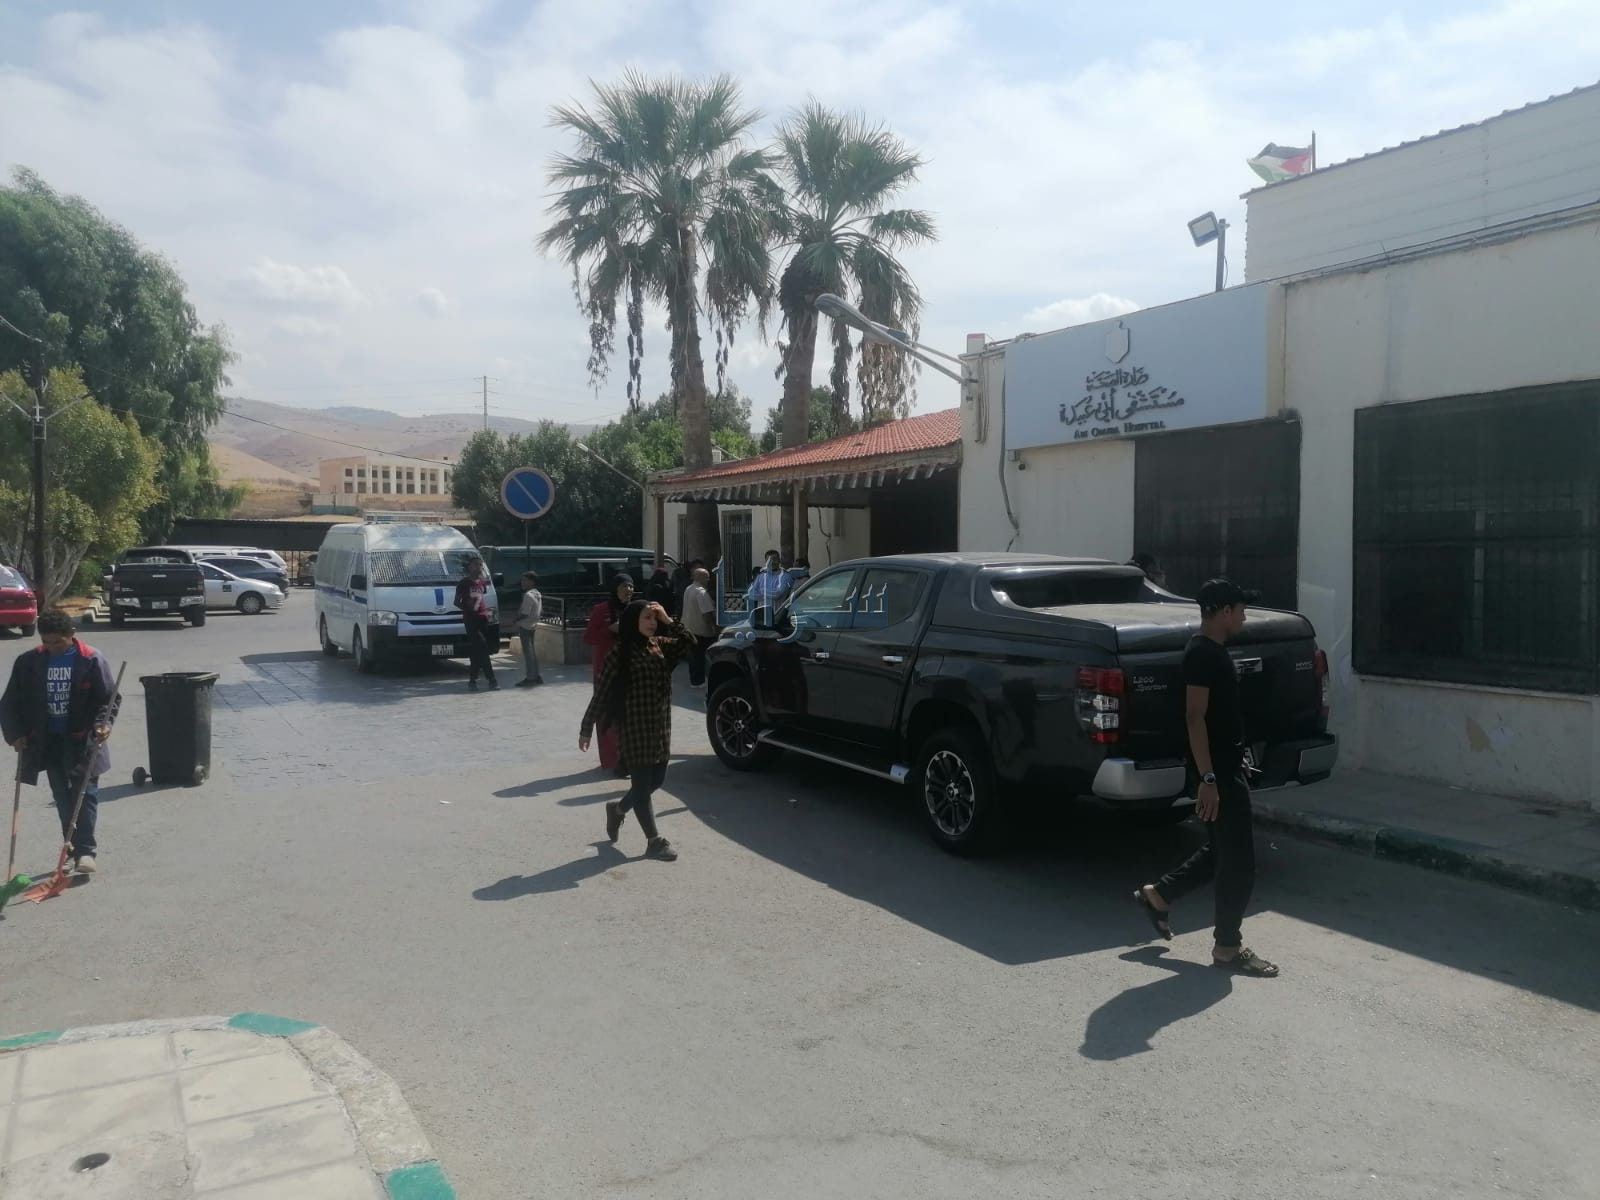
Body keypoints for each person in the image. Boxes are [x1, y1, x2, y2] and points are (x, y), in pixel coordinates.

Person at [1134, 579, 1278, 977]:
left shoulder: (1213, 651)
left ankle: (1158, 895)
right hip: (1217, 775)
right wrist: (1209, 778)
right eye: (1241, 610)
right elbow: (1194, 717)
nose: (1245, 617)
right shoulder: (1201, 654)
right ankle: (1228, 947)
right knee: (1240, 863)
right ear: (1224, 611)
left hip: (1225, 767)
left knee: (1221, 850)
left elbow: (1219, 718)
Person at [1, 609, 117, 875]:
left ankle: (86, 851)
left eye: (58, 642)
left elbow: (108, 699)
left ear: (71, 634)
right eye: (46, 642)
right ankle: (71, 848)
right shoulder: (28, 662)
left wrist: (104, 723)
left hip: (83, 739)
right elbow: (9, 702)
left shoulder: (91, 659)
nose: (52, 648)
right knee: (62, 796)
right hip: (48, 740)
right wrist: (15, 734)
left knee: (85, 793)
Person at [579, 599, 694, 861]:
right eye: (646, 618)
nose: (652, 623)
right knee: (642, 787)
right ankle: (654, 841)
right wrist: (586, 728)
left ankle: (618, 809)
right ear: (633, 621)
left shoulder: (659, 645)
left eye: (654, 618)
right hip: (634, 728)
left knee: (656, 781)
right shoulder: (619, 654)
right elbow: (602, 694)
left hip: (660, 727)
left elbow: (689, 643)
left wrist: (668, 620)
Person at [583, 573, 634, 776]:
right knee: (608, 715)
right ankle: (613, 759)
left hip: (629, 668)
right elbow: (588, 637)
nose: (628, 590)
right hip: (605, 670)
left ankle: (627, 757)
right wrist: (609, 630)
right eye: (624, 586)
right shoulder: (601, 610)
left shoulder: (635, 610)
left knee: (629, 715)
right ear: (615, 588)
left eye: (631, 586)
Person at [453, 554, 499, 691]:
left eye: (480, 565)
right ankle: (492, 679)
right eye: (475, 564)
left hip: (482, 618)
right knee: (483, 647)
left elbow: (481, 598)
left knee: (477, 650)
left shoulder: (482, 582)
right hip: (471, 619)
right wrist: (468, 608)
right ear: (469, 567)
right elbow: (456, 602)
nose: (478, 567)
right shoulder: (464, 583)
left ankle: (472, 680)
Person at [680, 567, 717, 687]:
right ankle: (699, 681)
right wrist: (713, 628)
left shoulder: (688, 589)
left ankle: (694, 680)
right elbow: (706, 614)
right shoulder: (702, 593)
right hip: (701, 630)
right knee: (701, 657)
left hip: (688, 628)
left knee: (693, 657)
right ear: (701, 578)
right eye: (707, 577)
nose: (708, 579)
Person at [746, 548, 791, 627]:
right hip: (761, 619)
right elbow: (751, 595)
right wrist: (769, 592)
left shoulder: (785, 576)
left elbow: (777, 594)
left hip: (777, 618)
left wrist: (761, 590)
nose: (772, 562)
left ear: (779, 560)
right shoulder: (760, 577)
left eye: (775, 559)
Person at [513, 571, 543, 688]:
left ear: (532, 582)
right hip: (532, 625)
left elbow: (525, 613)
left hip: (525, 626)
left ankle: (531, 678)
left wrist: (515, 620)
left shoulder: (528, 595)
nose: (522, 583)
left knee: (528, 653)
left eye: (525, 580)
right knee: (532, 652)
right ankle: (536, 675)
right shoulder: (537, 594)